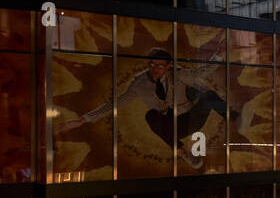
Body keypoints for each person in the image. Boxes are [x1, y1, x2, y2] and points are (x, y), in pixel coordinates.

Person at [57, 47, 239, 169]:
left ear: (168, 66)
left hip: (189, 120)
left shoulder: (179, 74)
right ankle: (182, 152)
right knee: (150, 115)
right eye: (151, 64)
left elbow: (202, 72)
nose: (154, 69)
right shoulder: (140, 82)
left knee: (209, 95)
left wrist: (219, 55)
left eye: (159, 66)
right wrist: (84, 119)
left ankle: (236, 119)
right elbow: (116, 103)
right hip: (168, 125)